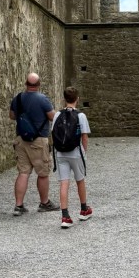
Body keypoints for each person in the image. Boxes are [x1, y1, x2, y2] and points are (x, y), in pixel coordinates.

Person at [9, 72, 59, 214]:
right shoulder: (43, 99)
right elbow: (52, 117)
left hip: (21, 139)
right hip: (38, 140)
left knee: (23, 172)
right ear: (38, 85)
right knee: (42, 173)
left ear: (26, 84)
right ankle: (44, 203)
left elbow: (12, 116)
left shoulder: (18, 98)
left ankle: (18, 206)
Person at [52, 86, 92, 229]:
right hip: (75, 152)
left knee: (64, 182)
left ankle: (65, 216)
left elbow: (53, 133)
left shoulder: (57, 115)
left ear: (64, 99)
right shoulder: (81, 116)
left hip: (60, 153)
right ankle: (84, 209)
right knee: (80, 180)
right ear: (77, 99)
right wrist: (84, 152)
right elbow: (84, 136)